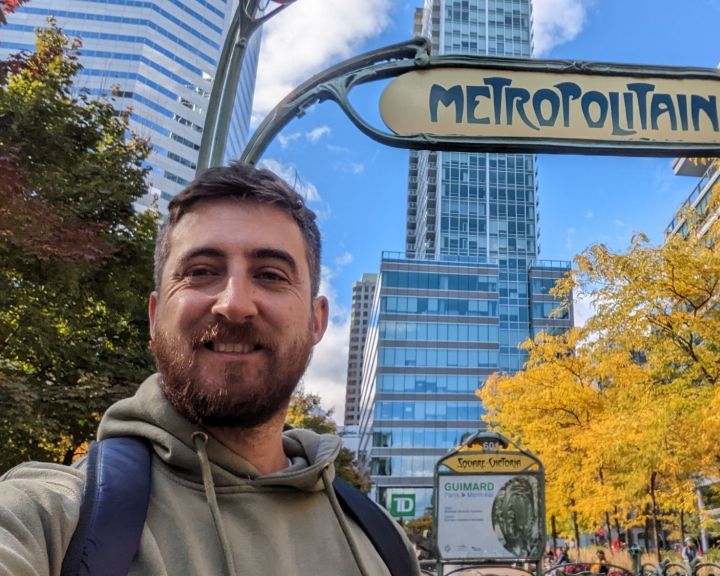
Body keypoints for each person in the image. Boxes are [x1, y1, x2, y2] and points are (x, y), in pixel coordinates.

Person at [0, 164, 418, 575]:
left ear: (317, 321)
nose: (234, 304)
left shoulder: (383, 543)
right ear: (155, 316)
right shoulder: (51, 518)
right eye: (200, 272)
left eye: (270, 275)